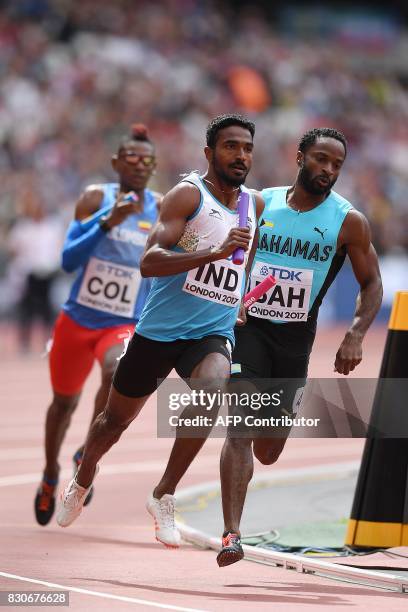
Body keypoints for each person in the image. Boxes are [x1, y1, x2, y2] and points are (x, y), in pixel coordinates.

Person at [56, 113, 264, 548]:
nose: (240, 155)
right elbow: (149, 261)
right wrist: (212, 252)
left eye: (246, 147)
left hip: (211, 331)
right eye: (230, 146)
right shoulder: (188, 195)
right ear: (210, 153)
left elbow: (242, 262)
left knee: (211, 389)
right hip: (160, 331)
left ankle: (163, 494)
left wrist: (240, 296)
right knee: (114, 421)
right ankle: (83, 475)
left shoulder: (253, 205)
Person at [216, 127, 383, 566]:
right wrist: (233, 301)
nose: (328, 170)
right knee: (240, 427)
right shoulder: (260, 202)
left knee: (268, 450)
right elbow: (238, 255)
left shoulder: (348, 221)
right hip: (248, 329)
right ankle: (232, 533)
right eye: (321, 159)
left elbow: (372, 283)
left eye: (336, 165)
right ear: (300, 157)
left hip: (294, 341)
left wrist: (356, 333)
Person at [34, 124, 161, 525]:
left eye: (147, 161)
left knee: (116, 369)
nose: (140, 166)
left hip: (121, 323)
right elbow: (69, 260)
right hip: (77, 320)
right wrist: (108, 221)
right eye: (132, 159)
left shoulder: (162, 208)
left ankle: (84, 453)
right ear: (116, 162)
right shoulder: (95, 198)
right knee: (63, 404)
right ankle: (52, 472)